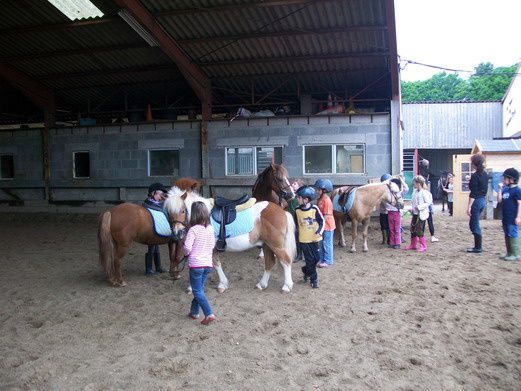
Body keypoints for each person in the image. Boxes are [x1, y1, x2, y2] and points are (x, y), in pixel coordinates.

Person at [183, 201, 216, 325]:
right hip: (207, 264)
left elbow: (187, 248)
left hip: (196, 265)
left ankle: (209, 313)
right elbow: (212, 245)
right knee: (200, 289)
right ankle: (194, 312)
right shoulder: (210, 229)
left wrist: (186, 251)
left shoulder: (193, 230)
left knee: (197, 291)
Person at [295, 186, 324, 288]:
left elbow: (322, 221)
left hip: (315, 239)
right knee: (309, 259)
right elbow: (295, 224)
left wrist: (319, 231)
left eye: (299, 198)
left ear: (306, 199)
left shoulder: (314, 209)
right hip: (303, 240)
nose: (297, 199)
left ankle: (306, 271)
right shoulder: (297, 210)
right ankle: (314, 280)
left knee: (316, 259)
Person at [143, 182, 167, 275]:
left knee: (156, 248)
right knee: (152, 248)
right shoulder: (149, 204)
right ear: (153, 194)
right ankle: (149, 269)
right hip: (151, 229)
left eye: (162, 194)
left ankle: (158, 267)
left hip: (157, 229)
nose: (161, 196)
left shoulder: (158, 204)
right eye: (159, 194)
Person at [497, 168, 521, 261]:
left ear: (511, 179)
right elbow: (499, 200)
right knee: (507, 234)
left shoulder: (517, 191)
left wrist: (518, 217)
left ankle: (516, 254)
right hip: (506, 217)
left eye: (505, 178)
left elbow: (520, 203)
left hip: (512, 217)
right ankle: (509, 252)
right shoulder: (505, 189)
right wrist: (499, 189)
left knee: (512, 234)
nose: (503, 180)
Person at [467, 154, 488, 253]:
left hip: (477, 201)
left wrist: (469, 207)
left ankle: (478, 247)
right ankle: (477, 246)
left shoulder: (475, 176)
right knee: (474, 223)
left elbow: (473, 193)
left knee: (474, 224)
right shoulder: (485, 174)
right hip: (483, 200)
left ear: (474, 164)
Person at [405, 175, 432, 253]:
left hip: (421, 214)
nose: (413, 184)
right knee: (412, 229)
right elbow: (414, 202)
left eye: (414, 183)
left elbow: (428, 202)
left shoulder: (424, 192)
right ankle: (413, 244)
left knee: (419, 230)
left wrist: (419, 207)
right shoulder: (415, 192)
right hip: (415, 214)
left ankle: (423, 246)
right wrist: (412, 209)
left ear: (418, 183)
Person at [314, 178, 335, 267]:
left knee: (327, 243)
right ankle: (322, 259)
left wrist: (320, 225)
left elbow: (326, 216)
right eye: (317, 189)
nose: (317, 191)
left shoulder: (327, 201)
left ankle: (328, 260)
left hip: (328, 225)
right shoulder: (319, 200)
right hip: (322, 225)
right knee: (321, 243)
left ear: (324, 190)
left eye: (319, 190)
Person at [385, 176, 409, 249]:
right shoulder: (388, 194)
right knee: (391, 229)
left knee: (397, 229)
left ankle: (397, 243)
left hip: (396, 213)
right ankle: (392, 243)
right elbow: (385, 184)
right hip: (390, 213)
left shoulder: (399, 193)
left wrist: (401, 180)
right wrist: (390, 179)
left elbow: (406, 189)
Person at [288, 179, 305, 262]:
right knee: (295, 236)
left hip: (298, 218)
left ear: (299, 186)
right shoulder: (292, 195)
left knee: (299, 236)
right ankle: (298, 254)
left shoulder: (300, 197)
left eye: (294, 184)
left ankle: (300, 255)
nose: (292, 184)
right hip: (292, 217)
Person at [379, 174, 392, 245]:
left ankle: (388, 239)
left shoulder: (390, 190)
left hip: (387, 211)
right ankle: (385, 239)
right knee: (384, 226)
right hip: (385, 211)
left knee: (386, 226)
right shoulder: (383, 191)